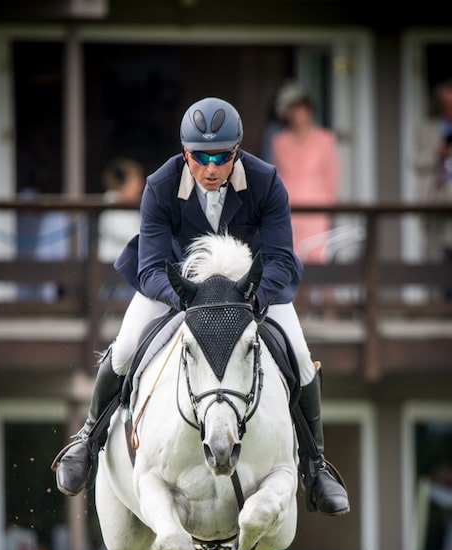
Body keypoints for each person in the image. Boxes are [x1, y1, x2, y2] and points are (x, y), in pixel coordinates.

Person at [51, 97, 349, 516]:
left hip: (251, 289)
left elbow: (282, 259)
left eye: (221, 157)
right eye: (200, 157)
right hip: (178, 287)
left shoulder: (266, 182)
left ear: (237, 152)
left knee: (299, 358)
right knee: (125, 347)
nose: (211, 168)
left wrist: (253, 299)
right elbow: (152, 265)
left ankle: (316, 467)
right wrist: (189, 300)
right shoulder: (160, 184)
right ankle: (87, 440)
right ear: (185, 152)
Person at [270, 81, 340, 263]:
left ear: (309, 112)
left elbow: (331, 176)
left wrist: (328, 204)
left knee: (318, 259)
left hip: (316, 208)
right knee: (291, 260)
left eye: (301, 110)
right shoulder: (279, 141)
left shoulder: (325, 139)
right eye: (294, 111)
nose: (298, 116)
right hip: (289, 207)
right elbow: (277, 175)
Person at [414, 79, 452, 262]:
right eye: (448, 106)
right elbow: (416, 163)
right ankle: (433, 291)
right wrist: (436, 153)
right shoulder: (426, 128)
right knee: (433, 254)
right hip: (434, 197)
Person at [97, 157, 145, 299]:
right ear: (122, 183)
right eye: (136, 182)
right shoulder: (109, 207)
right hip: (113, 272)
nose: (140, 187)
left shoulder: (130, 207)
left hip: (127, 270)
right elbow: (134, 237)